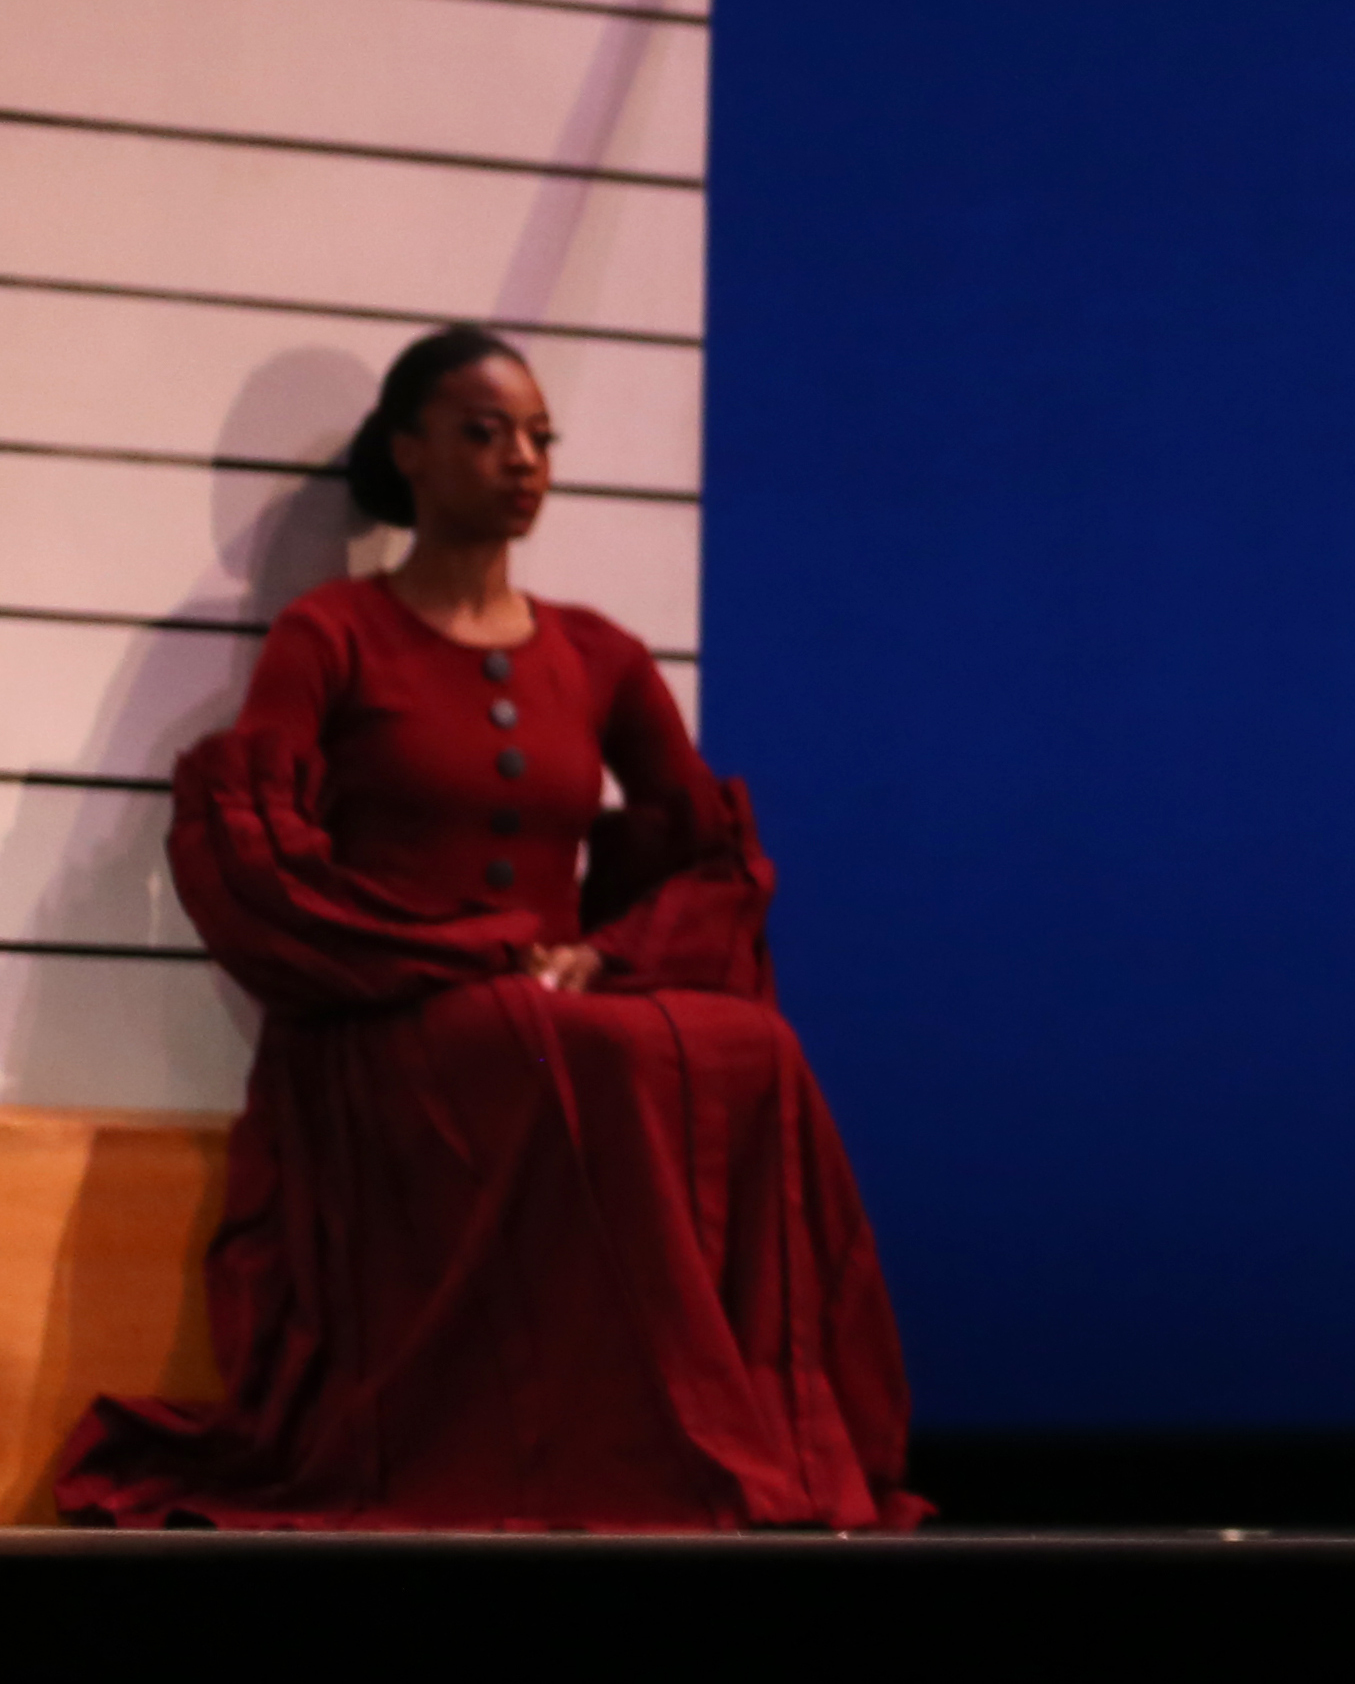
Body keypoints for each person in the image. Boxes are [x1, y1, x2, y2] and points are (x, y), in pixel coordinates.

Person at [59, 325, 921, 1531]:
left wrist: (604, 953)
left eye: (538, 437)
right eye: (483, 432)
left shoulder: (598, 653)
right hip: (388, 1021)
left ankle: (735, 1435)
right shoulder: (335, 636)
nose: (521, 459)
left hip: (544, 1010)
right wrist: (453, 948)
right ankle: (611, 1450)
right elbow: (252, 853)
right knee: (594, 1053)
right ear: (408, 452)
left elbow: (713, 852)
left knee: (752, 1051)